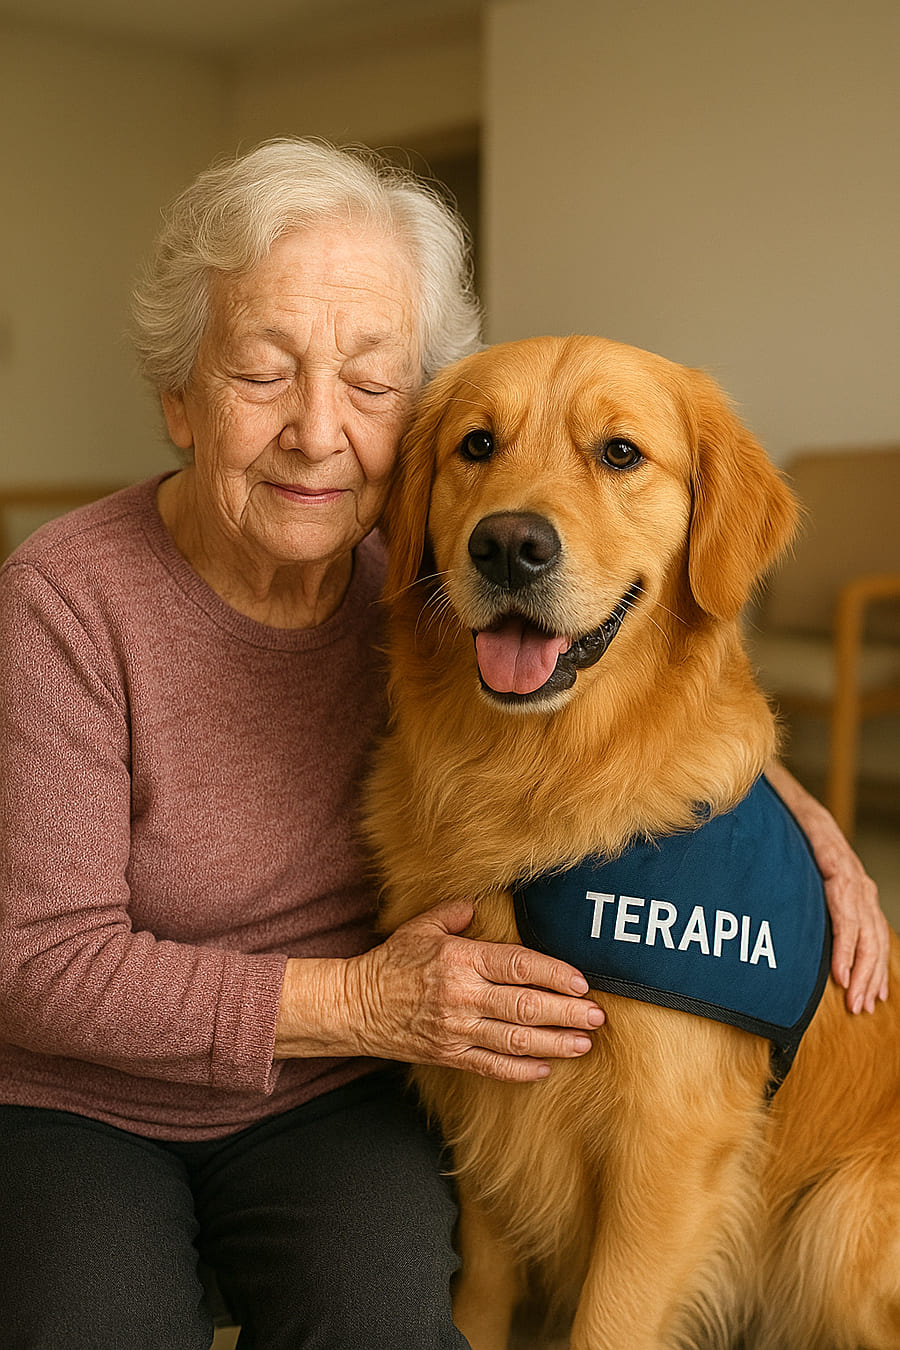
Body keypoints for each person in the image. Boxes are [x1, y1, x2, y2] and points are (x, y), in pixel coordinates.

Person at [0, 139, 889, 1350]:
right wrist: (366, 1003)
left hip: (323, 1099)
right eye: (262, 372)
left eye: (370, 386)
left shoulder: (406, 585)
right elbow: (38, 964)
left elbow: (658, 716)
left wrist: (810, 829)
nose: (319, 432)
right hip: (92, 1096)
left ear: (400, 424)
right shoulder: (64, 603)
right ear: (178, 397)